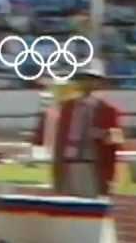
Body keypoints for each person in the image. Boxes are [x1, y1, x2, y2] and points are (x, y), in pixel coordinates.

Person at [45, 59, 124, 198]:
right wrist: (56, 170)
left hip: (92, 166)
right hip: (68, 163)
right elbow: (60, 140)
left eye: (91, 79)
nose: (86, 84)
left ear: (99, 82)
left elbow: (117, 142)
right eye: (83, 79)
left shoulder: (108, 110)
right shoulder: (67, 107)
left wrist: (101, 134)